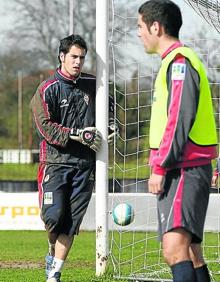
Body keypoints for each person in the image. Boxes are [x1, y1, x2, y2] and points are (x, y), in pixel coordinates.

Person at [138, 1, 217, 281]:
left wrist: (160, 166)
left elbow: (178, 117)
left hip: (183, 166)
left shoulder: (180, 61)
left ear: (156, 27)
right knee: (191, 252)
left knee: (174, 250)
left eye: (140, 26)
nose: (139, 33)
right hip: (188, 165)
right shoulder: (174, 62)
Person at [31, 34, 115, 282]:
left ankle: (54, 274)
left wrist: (111, 124)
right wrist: (77, 135)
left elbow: (110, 104)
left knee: (71, 224)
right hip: (55, 163)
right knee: (54, 218)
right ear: (62, 57)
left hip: (84, 166)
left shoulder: (94, 83)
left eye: (82, 57)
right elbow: (44, 126)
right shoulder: (47, 89)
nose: (78, 62)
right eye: (74, 57)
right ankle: (51, 248)